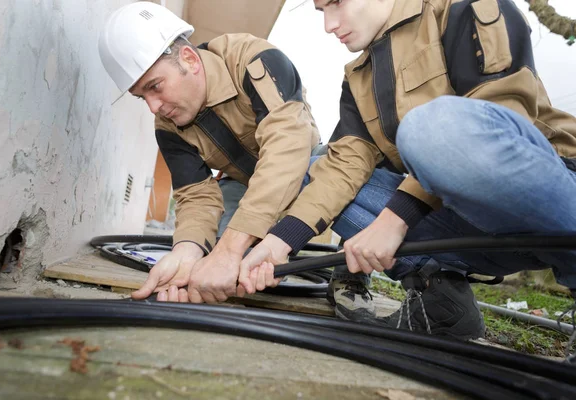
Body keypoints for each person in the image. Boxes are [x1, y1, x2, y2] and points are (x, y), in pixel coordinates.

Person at [240, 0, 576, 339]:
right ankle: (442, 299)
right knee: (312, 169)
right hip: (475, 229)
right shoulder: (359, 77)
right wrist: (278, 245)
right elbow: (342, 168)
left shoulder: (465, 8)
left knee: (428, 127)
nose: (329, 24)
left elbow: (497, 125)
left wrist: (394, 220)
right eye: (321, 11)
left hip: (554, 202)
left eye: (336, 3)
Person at [98, 1, 324, 304]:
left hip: (304, 170)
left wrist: (231, 248)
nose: (154, 107)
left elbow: (287, 149)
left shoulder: (255, 60)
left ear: (189, 59)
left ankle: (353, 277)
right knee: (216, 260)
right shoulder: (166, 125)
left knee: (334, 175)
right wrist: (186, 253)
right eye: (142, 97)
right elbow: (197, 196)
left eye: (156, 87)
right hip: (243, 186)